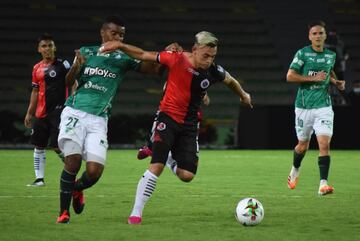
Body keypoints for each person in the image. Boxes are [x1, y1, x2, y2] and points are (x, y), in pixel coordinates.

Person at [100, 31, 253, 224]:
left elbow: (231, 81)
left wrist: (243, 95)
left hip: (190, 125)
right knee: (156, 165)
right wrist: (121, 46)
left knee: (187, 175)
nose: (208, 61)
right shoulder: (176, 58)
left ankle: (171, 158)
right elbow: (143, 54)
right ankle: (136, 213)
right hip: (168, 117)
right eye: (205, 56)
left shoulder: (214, 71)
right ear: (194, 49)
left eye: (212, 57)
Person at [55, 16, 174, 224]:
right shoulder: (86, 52)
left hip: (99, 119)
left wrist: (167, 55)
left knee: (94, 172)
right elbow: (68, 81)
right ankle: (63, 213)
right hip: (75, 111)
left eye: (122, 35)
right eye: (115, 33)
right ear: (103, 33)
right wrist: (76, 67)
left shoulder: (124, 58)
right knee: (72, 162)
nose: (118, 37)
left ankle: (75, 189)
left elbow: (155, 70)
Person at [286, 20, 345, 196]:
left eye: (321, 33)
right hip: (304, 106)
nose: (318, 36)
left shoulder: (330, 55)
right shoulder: (303, 54)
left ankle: (323, 184)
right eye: (315, 33)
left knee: (324, 144)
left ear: (325, 36)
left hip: (324, 106)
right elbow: (290, 76)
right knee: (302, 146)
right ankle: (295, 169)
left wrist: (335, 81)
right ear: (309, 37)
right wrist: (314, 78)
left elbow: (329, 71)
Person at [24, 33, 71, 187]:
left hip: (59, 110)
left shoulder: (63, 64)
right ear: (39, 49)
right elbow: (35, 92)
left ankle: (71, 166)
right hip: (41, 112)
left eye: (50, 45)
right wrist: (30, 112)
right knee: (39, 145)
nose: (47, 48)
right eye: (44, 46)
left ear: (54, 47)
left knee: (56, 145)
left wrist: (73, 102)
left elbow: (73, 82)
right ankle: (39, 179)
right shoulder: (36, 68)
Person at [137, 93, 210, 160]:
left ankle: (153, 148)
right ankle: (153, 148)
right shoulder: (174, 84)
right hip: (174, 112)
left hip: (190, 114)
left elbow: (206, 100)